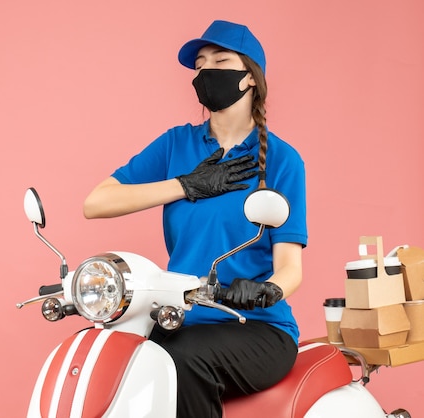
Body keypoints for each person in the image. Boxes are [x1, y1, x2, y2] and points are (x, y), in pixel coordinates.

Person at [83, 19, 307, 418]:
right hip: (180, 317)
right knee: (109, 351)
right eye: (200, 65)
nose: (206, 73)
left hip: (255, 327)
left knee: (178, 360)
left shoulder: (281, 160)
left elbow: (290, 267)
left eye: (220, 61)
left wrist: (265, 292)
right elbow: (96, 202)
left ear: (249, 78)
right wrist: (185, 185)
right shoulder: (177, 144)